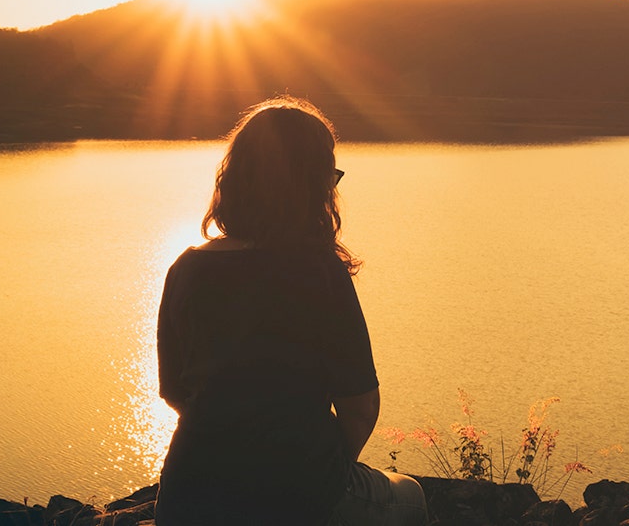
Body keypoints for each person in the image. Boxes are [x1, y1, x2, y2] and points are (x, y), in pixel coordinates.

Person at [155, 96, 427, 526]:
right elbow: (359, 408)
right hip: (294, 493)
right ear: (312, 184)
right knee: (410, 495)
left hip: (186, 496)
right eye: (329, 176)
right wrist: (321, 475)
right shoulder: (317, 272)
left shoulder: (185, 268)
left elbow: (173, 391)